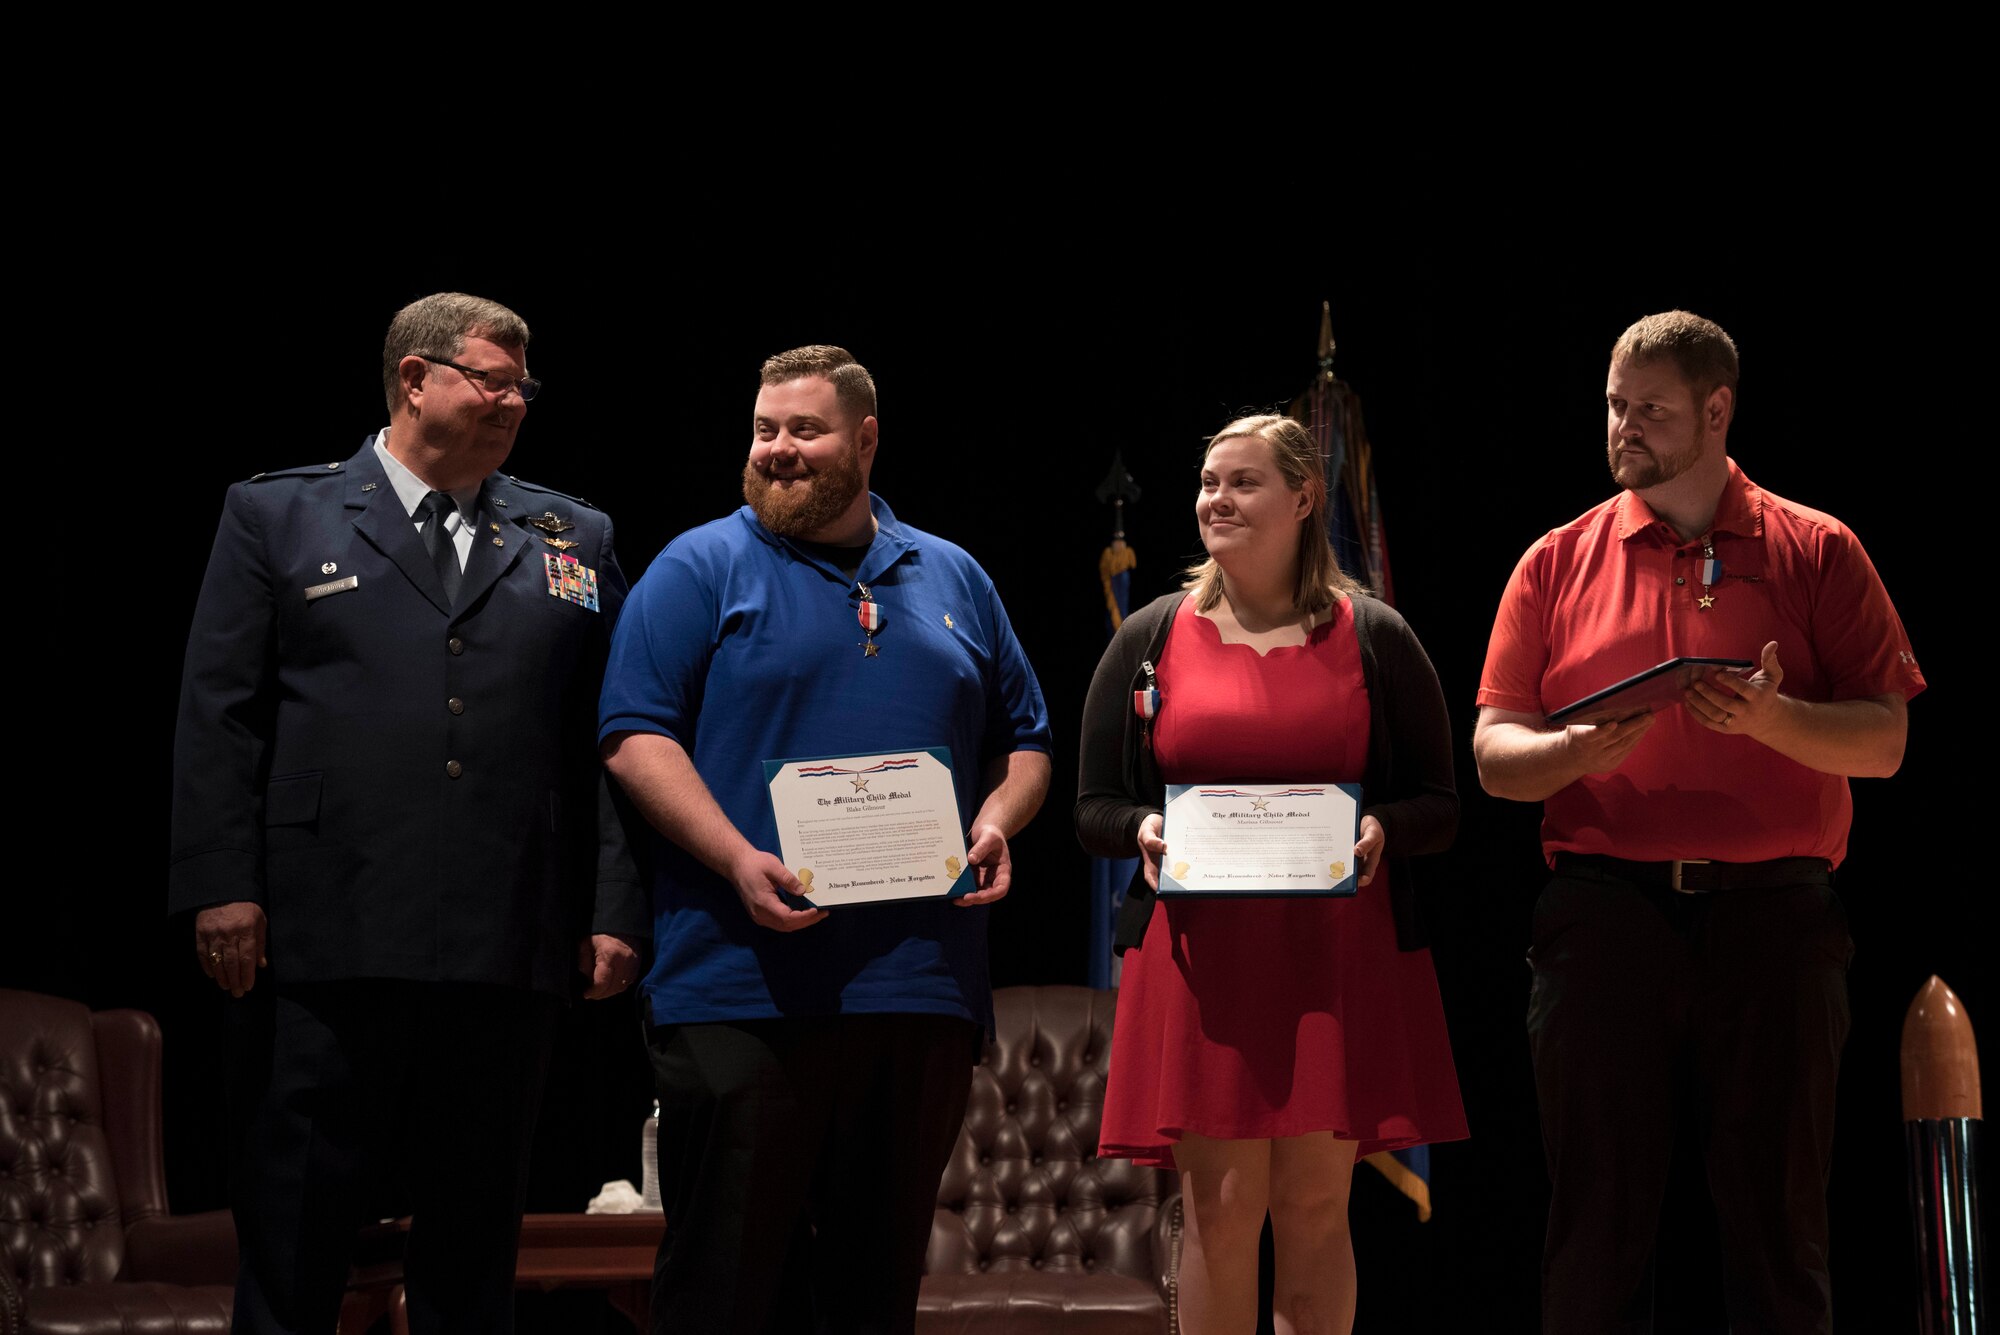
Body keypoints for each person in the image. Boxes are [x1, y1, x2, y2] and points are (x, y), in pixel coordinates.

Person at [168, 292, 646, 1335]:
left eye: (524, 384)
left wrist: (613, 906)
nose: (514, 400)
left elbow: (611, 738)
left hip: (505, 938)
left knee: (473, 1252)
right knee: (298, 1233)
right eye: (491, 378)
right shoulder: (278, 515)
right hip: (321, 935)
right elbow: (220, 715)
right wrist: (221, 887)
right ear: (413, 379)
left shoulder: (572, 532)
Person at [1473, 310, 1924, 1334]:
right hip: (1602, 921)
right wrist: (1569, 753)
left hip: (1773, 919)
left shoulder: (1816, 548)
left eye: (1649, 410)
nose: (1622, 427)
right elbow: (1495, 755)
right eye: (1612, 406)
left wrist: (1775, 719)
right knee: (1594, 1230)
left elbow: (1883, 743)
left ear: (1715, 410)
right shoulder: (1555, 560)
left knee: (1777, 1231)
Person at [598, 344, 1052, 1333]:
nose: (778, 451)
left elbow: (1027, 741)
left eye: (803, 430)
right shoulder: (699, 566)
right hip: (739, 985)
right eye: (764, 431)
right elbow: (633, 739)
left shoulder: (954, 575)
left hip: (917, 987)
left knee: (870, 1293)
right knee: (723, 1290)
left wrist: (996, 820)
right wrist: (731, 855)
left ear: (866, 439)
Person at [1076, 413, 1467, 1335]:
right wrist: (1141, 828)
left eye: (1242, 482)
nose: (1216, 498)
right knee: (1216, 1216)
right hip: (1202, 966)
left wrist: (1380, 826)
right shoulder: (1149, 636)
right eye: (1209, 482)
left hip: (1333, 957)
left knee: (1316, 1211)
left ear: (1303, 498)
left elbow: (1439, 805)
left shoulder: (1376, 635)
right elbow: (1093, 807)